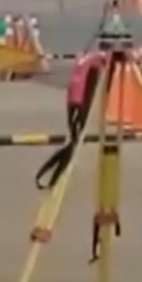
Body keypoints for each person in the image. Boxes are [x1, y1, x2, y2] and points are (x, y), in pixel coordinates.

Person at [35, 49, 108, 190]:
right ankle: (56, 174)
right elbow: (104, 57)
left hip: (73, 103)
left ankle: (55, 173)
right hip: (78, 104)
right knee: (73, 141)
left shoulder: (82, 62)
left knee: (73, 139)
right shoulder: (91, 61)